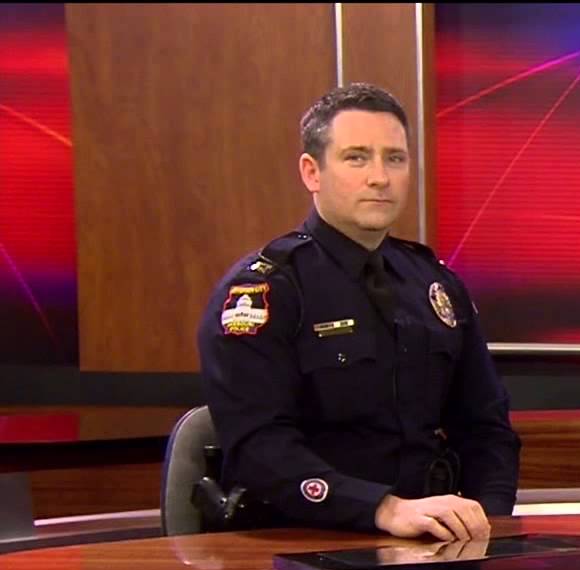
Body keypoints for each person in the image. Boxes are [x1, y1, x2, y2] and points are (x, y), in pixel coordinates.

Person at [197, 83, 520, 540]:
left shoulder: (434, 283)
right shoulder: (266, 291)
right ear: (312, 172)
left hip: (435, 544)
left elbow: (486, 427)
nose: (380, 177)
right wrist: (382, 509)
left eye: (395, 158)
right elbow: (259, 448)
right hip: (302, 544)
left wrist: (488, 522)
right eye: (356, 158)